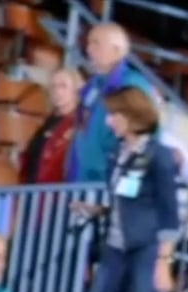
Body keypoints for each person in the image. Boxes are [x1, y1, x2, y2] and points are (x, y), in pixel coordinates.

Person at [76, 87, 181, 292]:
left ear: (132, 116)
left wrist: (164, 262)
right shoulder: (116, 155)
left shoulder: (159, 156)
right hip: (114, 248)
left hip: (146, 250)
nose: (109, 122)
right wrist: (99, 210)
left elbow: (170, 213)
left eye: (114, 115)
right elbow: (129, 200)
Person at [68, 23, 154, 184]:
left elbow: (145, 141)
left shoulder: (132, 85)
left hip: (108, 188)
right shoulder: (93, 85)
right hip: (79, 182)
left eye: (96, 44)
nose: (89, 50)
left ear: (117, 51)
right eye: (88, 43)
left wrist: (128, 190)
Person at [20, 66, 83, 185]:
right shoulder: (46, 122)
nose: (57, 91)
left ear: (76, 89)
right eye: (53, 86)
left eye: (63, 86)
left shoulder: (80, 123)